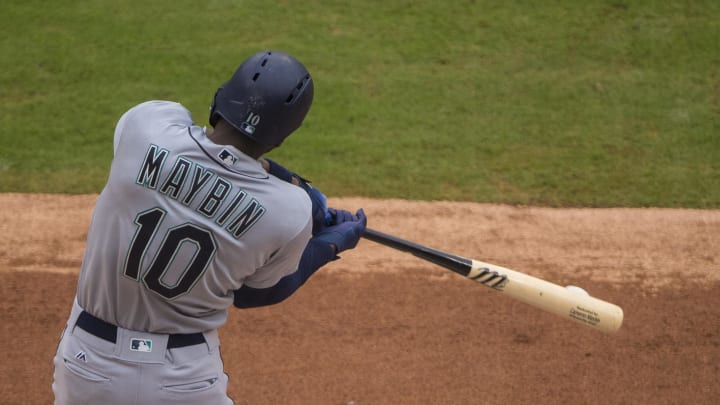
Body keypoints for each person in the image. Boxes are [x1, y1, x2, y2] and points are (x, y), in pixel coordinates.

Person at [52, 50, 367, 404]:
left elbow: (212, 148)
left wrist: (293, 184)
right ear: (283, 135)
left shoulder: (146, 128)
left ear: (221, 99)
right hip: (182, 380)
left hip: (86, 365)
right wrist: (327, 245)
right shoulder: (288, 211)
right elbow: (254, 294)